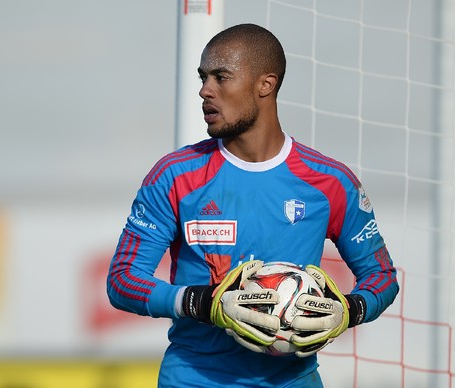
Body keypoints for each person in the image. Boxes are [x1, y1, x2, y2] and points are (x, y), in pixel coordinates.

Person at [106, 23, 399, 388]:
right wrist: (199, 302)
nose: (204, 91)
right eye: (203, 77)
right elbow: (122, 281)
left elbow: (382, 276)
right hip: (194, 378)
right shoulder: (174, 176)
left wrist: (349, 311)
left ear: (266, 84)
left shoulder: (330, 182)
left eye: (221, 77)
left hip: (293, 380)